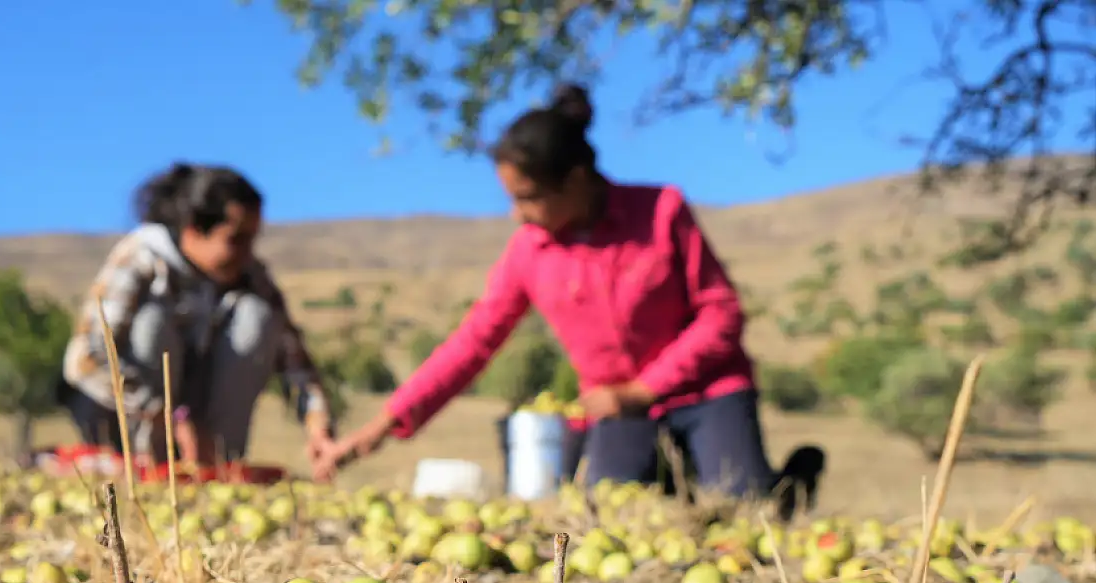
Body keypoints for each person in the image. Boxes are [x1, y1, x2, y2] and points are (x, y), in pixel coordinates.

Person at [320, 86, 821, 510]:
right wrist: (382, 426)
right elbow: (472, 343)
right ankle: (678, 475)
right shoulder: (529, 252)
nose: (516, 215)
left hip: (707, 392)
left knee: (746, 511)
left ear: (576, 180)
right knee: (608, 509)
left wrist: (644, 389)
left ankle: (783, 483)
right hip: (618, 412)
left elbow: (721, 314)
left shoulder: (661, 211)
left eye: (527, 197)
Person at [59, 162, 335, 467]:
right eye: (235, 239)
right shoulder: (142, 257)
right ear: (192, 229)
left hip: (203, 430)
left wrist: (317, 425)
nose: (248, 252)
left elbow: (295, 362)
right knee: (152, 322)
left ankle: (218, 461)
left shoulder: (249, 273)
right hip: (136, 423)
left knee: (257, 317)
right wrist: (169, 417)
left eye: (252, 239)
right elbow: (84, 360)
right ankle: (150, 460)